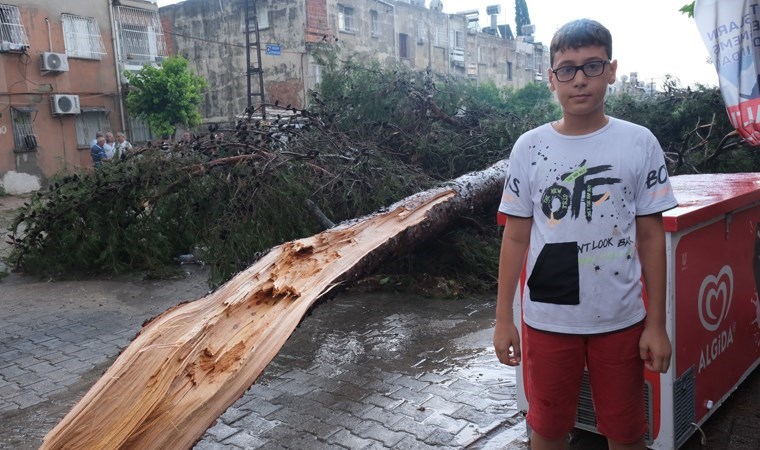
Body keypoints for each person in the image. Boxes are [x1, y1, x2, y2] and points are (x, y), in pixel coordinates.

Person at [493, 19, 678, 450]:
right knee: (548, 429)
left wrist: (657, 325)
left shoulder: (639, 143)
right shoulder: (529, 147)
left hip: (622, 319)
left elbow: (651, 238)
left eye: (592, 66)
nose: (579, 79)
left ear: (611, 71)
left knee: (627, 432)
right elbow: (516, 238)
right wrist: (504, 319)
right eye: (567, 68)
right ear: (551, 78)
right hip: (547, 319)